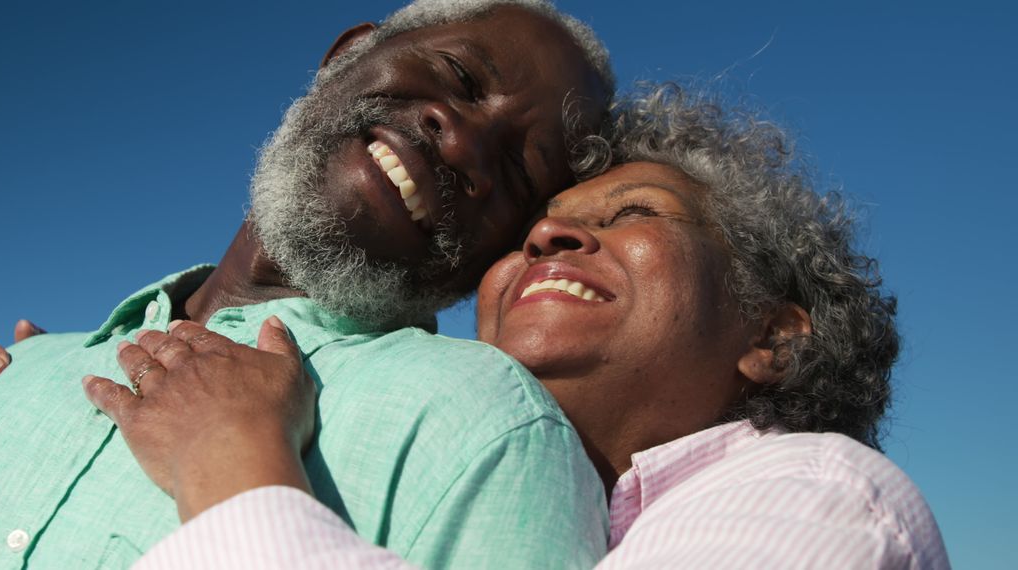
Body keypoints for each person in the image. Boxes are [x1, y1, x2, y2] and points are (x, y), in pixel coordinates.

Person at [73, 84, 947, 568]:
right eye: (539, 226)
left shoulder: (820, 497)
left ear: (774, 337)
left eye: (637, 211)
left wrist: (233, 463)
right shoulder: (497, 486)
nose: (549, 235)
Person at [0, 1, 618, 568]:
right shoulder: (14, 371)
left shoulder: (487, 425)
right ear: (346, 57)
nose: (463, 143)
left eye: (516, 170)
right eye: (459, 74)